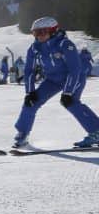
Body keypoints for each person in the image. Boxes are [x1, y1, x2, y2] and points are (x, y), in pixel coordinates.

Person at [13, 17, 99, 148]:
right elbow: (29, 70)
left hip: (74, 76)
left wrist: (68, 92)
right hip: (53, 79)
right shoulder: (35, 48)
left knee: (70, 102)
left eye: (43, 32)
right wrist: (30, 92)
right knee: (31, 102)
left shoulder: (65, 44)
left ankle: (96, 132)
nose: (39, 36)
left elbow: (74, 69)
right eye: (36, 33)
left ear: (53, 31)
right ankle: (22, 134)